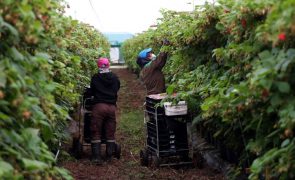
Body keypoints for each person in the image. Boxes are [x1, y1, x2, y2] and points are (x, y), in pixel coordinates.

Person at [89, 57, 120, 165]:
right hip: (111, 107)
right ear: (108, 65)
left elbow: (91, 91)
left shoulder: (96, 78)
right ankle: (110, 155)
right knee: (110, 131)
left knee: (96, 131)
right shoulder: (115, 78)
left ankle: (96, 157)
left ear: (98, 66)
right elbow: (117, 89)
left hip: (99, 107)